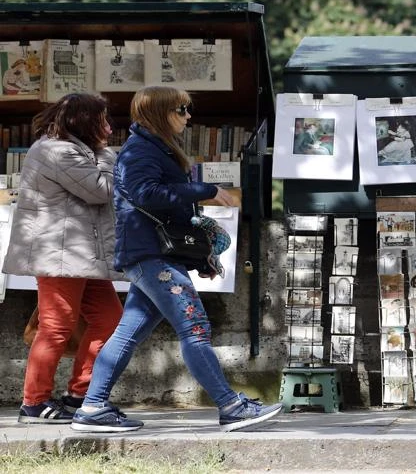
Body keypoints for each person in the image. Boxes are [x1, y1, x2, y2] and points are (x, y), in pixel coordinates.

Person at [71, 86, 282, 433]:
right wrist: (206, 190)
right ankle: (230, 406)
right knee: (194, 327)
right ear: (160, 113)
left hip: (152, 254)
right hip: (150, 256)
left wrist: (201, 258)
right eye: (181, 109)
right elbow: (146, 194)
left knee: (127, 335)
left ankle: (93, 407)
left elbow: (169, 211)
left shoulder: (154, 149)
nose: (188, 116)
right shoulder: (141, 152)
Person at [2, 94, 124, 424]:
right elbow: (101, 190)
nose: (108, 127)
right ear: (83, 122)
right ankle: (34, 401)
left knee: (109, 319)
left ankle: (79, 394)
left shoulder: (72, 148)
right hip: (59, 252)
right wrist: (106, 152)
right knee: (56, 327)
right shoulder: (57, 150)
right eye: (102, 120)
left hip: (80, 252)